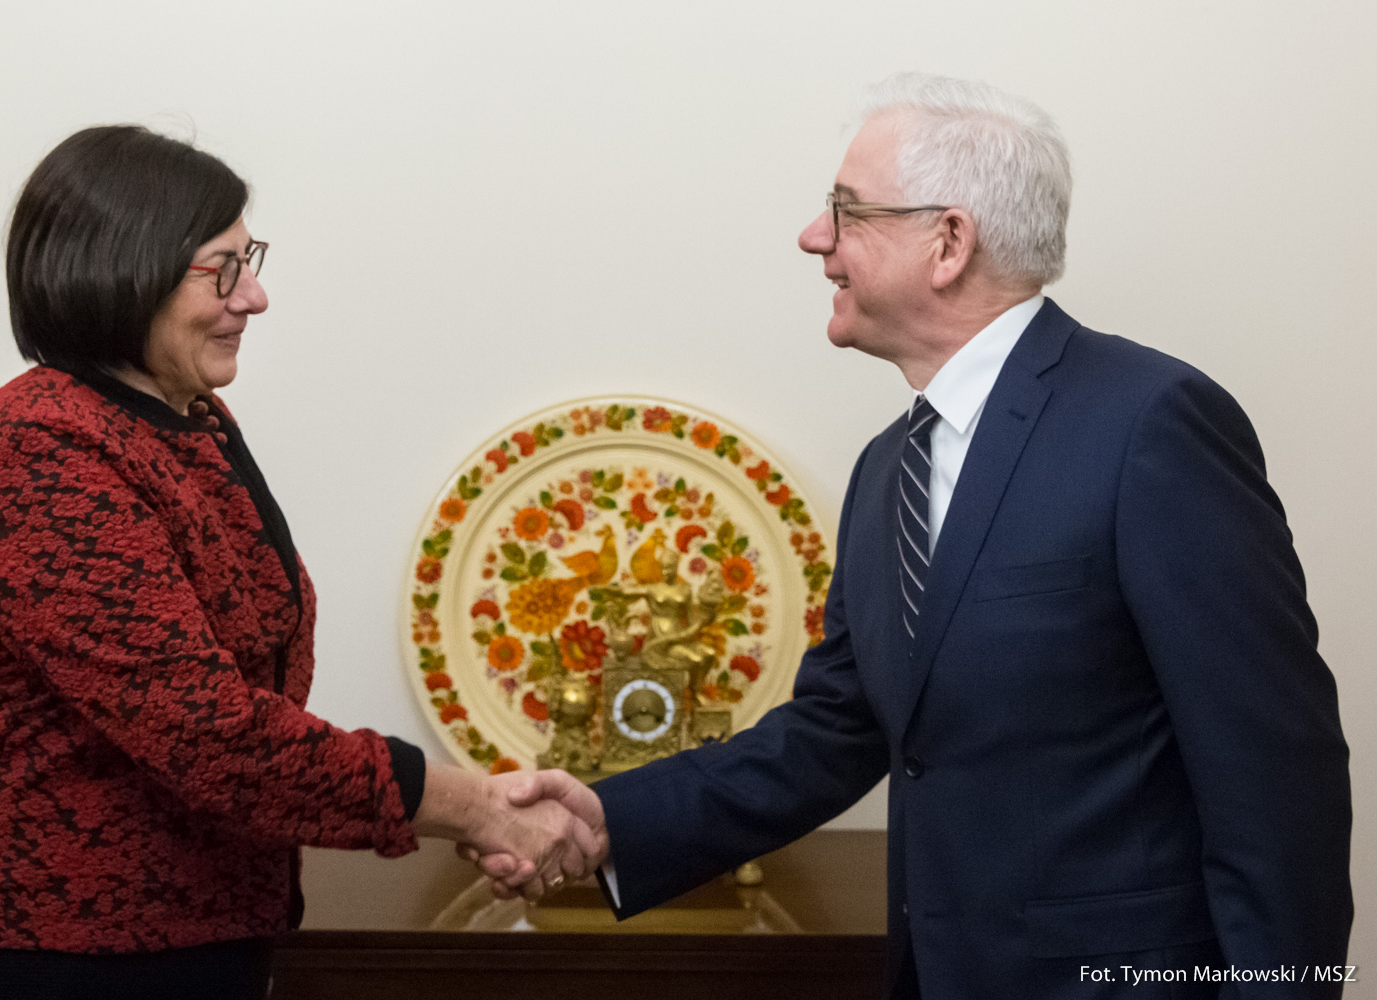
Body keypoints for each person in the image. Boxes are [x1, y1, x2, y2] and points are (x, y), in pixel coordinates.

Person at [477, 74, 1353, 998]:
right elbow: (834, 731)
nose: (814, 238)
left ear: (948, 242)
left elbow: (1276, 783)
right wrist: (611, 819)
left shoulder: (1152, 425)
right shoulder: (886, 468)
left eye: (845, 211)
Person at [0, 125, 600, 1000]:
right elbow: (207, 731)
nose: (253, 296)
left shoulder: (194, 422)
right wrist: (471, 808)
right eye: (222, 266)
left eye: (247, 259)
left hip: (182, 939)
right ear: (125, 267)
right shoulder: (42, 446)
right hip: (24, 953)